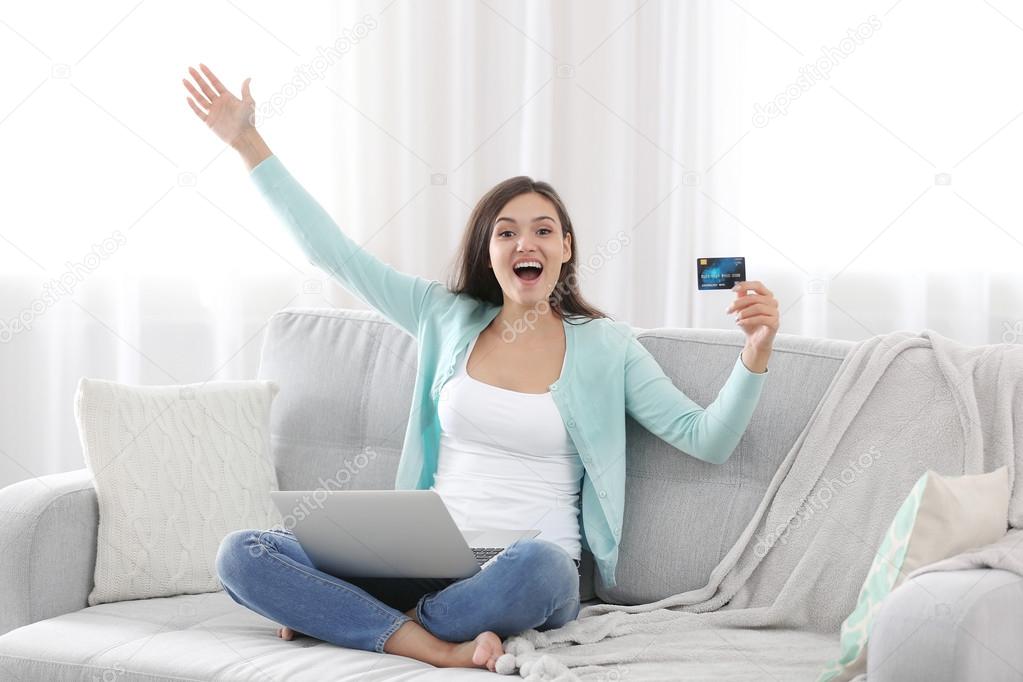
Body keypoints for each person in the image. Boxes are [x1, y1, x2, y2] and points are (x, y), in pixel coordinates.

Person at [183, 63, 780, 673]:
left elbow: (707, 439)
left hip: (519, 571)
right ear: (488, 251)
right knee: (244, 553)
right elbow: (332, 254)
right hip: (415, 559)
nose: (527, 243)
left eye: (544, 230)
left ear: (566, 248)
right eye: (507, 232)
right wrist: (246, 140)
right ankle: (434, 644)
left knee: (542, 564)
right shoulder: (443, 316)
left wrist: (754, 352)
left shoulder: (607, 346)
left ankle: (353, 619)